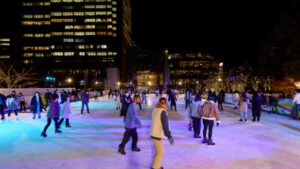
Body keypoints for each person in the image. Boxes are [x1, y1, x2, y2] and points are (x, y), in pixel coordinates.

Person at [150, 97, 174, 169]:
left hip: (153, 132)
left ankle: (156, 165)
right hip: (157, 134)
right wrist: (169, 136)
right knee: (160, 153)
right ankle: (155, 167)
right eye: (164, 102)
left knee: (157, 151)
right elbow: (165, 126)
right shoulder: (163, 111)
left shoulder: (156, 109)